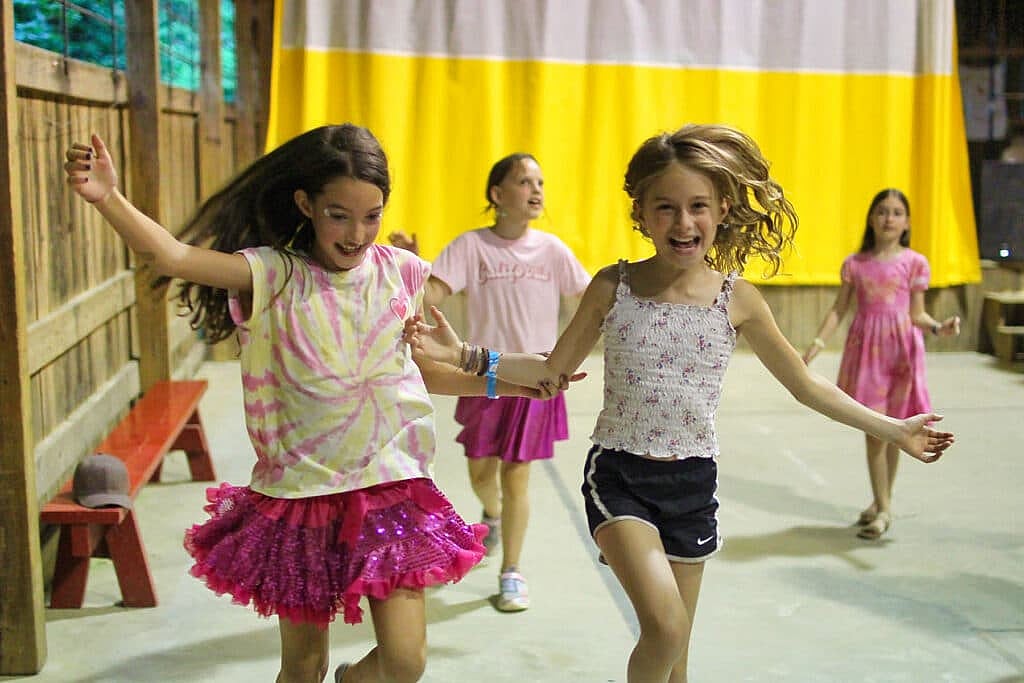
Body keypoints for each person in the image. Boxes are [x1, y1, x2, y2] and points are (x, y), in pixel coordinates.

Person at [404, 124, 956, 683]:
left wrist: (894, 429)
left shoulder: (736, 299)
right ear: (640, 213)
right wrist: (469, 355)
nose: (684, 222)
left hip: (692, 485)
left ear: (721, 209)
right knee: (665, 630)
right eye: (665, 207)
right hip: (619, 477)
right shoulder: (612, 286)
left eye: (698, 206)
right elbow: (551, 370)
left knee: (678, 663)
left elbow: (807, 386)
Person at [63, 125, 557, 683]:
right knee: (302, 666)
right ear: (306, 204)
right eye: (338, 214)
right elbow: (173, 256)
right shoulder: (273, 273)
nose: (356, 232)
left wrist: (515, 384)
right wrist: (108, 197)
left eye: (371, 215)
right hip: (301, 496)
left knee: (406, 660)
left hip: (391, 489)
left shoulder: (402, 271)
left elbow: (417, 373)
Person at [387, 153, 590, 612]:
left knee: (517, 476)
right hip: (482, 375)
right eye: (524, 181)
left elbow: (588, 300)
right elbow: (431, 295)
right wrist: (411, 268)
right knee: (482, 474)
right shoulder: (471, 246)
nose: (536, 190)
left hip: (535, 377)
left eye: (540, 181)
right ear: (497, 195)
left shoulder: (553, 251)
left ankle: (511, 571)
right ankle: (491, 516)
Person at [801, 188, 961, 540]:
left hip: (902, 355)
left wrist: (938, 327)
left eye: (897, 212)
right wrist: (816, 343)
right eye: (882, 211)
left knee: (899, 431)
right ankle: (883, 505)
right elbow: (839, 309)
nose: (889, 218)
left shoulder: (915, 263)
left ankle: (881, 503)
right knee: (877, 434)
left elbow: (916, 313)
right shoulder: (855, 264)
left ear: (906, 223)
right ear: (871, 218)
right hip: (867, 355)